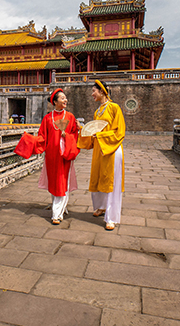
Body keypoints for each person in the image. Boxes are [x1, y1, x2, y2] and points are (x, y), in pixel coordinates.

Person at [77, 80, 125, 230]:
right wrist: (82, 131)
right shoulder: (97, 112)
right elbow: (93, 133)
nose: (92, 94)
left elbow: (120, 131)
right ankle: (101, 206)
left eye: (94, 91)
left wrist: (101, 136)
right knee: (99, 177)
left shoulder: (114, 108)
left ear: (102, 91)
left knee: (110, 181)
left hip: (112, 148)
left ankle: (111, 217)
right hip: (99, 149)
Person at [36, 88, 80, 224]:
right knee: (54, 182)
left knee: (62, 182)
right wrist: (31, 141)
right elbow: (42, 136)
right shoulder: (47, 118)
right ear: (55, 102)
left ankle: (56, 214)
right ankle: (60, 207)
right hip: (51, 155)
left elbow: (75, 135)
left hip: (65, 154)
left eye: (65, 97)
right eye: (62, 98)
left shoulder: (70, 117)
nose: (65, 100)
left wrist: (68, 136)